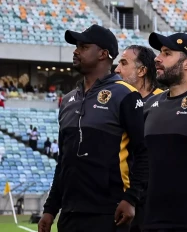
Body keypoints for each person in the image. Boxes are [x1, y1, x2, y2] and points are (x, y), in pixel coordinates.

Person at [38, 24, 148, 232]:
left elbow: (143, 153)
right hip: (70, 214)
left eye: (84, 46)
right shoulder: (68, 100)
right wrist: (50, 209)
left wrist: (131, 198)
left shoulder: (125, 95)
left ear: (103, 54)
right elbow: (63, 162)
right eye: (76, 46)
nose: (76, 50)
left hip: (110, 212)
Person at [143, 32, 187, 231]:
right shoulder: (150, 104)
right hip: (153, 219)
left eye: (167, 53)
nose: (157, 58)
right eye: (159, 52)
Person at [114, 45, 163, 232]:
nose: (117, 69)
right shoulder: (118, 103)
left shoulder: (164, 102)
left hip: (156, 201)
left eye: (123, 63)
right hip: (125, 198)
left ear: (142, 71)